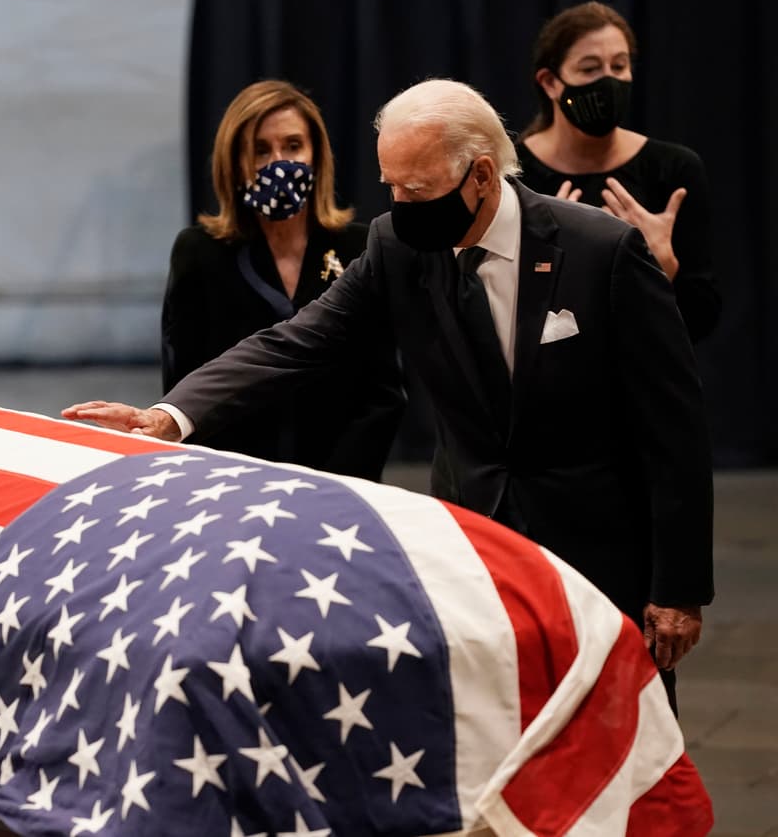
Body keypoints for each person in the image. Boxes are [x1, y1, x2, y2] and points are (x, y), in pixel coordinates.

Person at [64, 78, 713, 709]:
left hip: (598, 552)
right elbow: (299, 341)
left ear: (482, 175)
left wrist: (679, 588)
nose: (401, 204)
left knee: (623, 749)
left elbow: (673, 422)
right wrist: (171, 414)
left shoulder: (600, 250)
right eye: (391, 186)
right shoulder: (399, 245)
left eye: (418, 188)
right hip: (477, 549)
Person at [163, 80, 404, 479]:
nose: (278, 162)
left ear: (316, 157)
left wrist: (336, 482)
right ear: (235, 163)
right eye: (261, 149)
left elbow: (383, 392)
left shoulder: (360, 245)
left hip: (342, 483)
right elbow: (186, 383)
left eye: (293, 146)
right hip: (234, 481)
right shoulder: (199, 253)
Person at [516, 1, 721, 342]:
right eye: (590, 69)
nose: (609, 82)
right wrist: (542, 265)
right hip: (548, 386)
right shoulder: (514, 175)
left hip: (644, 382)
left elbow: (702, 321)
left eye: (619, 66)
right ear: (550, 82)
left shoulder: (674, 169)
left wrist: (663, 268)